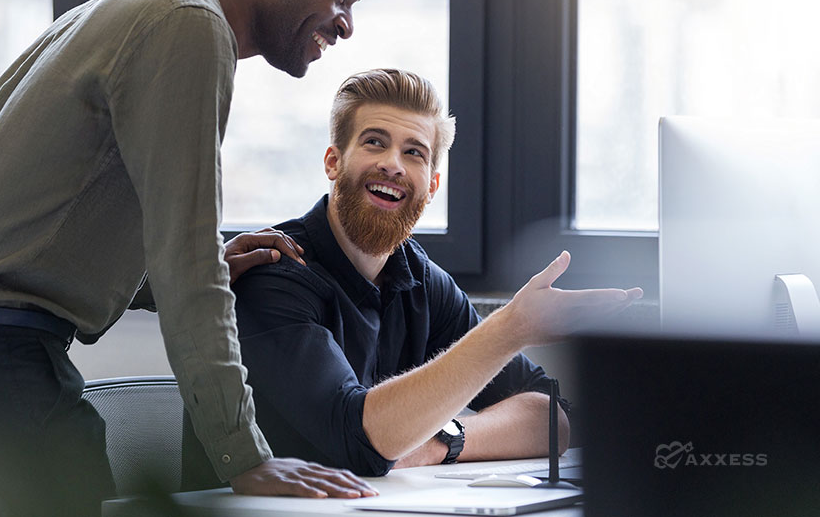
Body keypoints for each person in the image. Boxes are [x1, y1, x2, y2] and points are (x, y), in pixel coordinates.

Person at [0, 0, 375, 517]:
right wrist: (246, 457)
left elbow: (59, 213)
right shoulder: (190, 26)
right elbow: (187, 261)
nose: (345, 25)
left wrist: (166, 273)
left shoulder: (147, 1)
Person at [222, 68, 643, 477]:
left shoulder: (421, 279)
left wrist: (442, 440)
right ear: (334, 161)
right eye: (374, 142)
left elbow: (554, 416)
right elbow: (360, 441)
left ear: (432, 185)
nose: (393, 164)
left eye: (414, 152)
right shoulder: (273, 270)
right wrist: (509, 328)